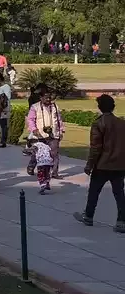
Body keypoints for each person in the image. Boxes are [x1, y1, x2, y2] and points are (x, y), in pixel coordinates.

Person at [74, 94, 125, 231]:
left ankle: (88, 216)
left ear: (100, 107)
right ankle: (122, 221)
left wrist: (89, 165)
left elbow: (96, 148)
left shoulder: (99, 123)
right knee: (119, 194)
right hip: (119, 165)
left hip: (102, 164)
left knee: (94, 192)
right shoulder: (121, 123)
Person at [26, 86, 65, 178]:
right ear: (41, 98)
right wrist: (34, 130)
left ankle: (54, 172)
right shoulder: (35, 107)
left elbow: (59, 120)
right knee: (38, 153)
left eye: (49, 97)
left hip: (53, 134)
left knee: (54, 154)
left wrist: (61, 131)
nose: (48, 99)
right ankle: (31, 167)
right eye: (46, 97)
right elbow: (30, 120)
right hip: (40, 135)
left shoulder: (55, 106)